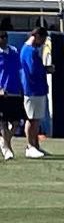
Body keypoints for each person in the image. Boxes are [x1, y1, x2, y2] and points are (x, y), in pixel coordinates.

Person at [19, 26, 49, 159]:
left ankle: (35, 145)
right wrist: (46, 69)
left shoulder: (29, 50)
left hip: (36, 89)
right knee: (32, 119)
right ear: (37, 36)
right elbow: (33, 70)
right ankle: (30, 146)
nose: (43, 43)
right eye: (42, 39)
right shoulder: (29, 51)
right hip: (32, 89)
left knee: (36, 119)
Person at [0, 29, 22, 161]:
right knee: (2, 122)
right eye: (1, 37)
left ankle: (4, 142)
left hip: (14, 90)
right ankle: (7, 148)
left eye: (5, 36)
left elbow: (19, 69)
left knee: (15, 122)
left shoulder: (14, 51)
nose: (3, 39)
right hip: (2, 92)